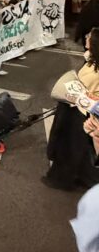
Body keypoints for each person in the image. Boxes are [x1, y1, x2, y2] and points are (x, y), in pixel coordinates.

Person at [44, 30, 99, 190]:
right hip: (76, 107)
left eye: (90, 37)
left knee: (70, 147)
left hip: (80, 112)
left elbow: (83, 88)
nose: (86, 37)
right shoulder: (91, 58)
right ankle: (82, 176)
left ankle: (64, 179)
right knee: (77, 148)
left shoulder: (95, 71)